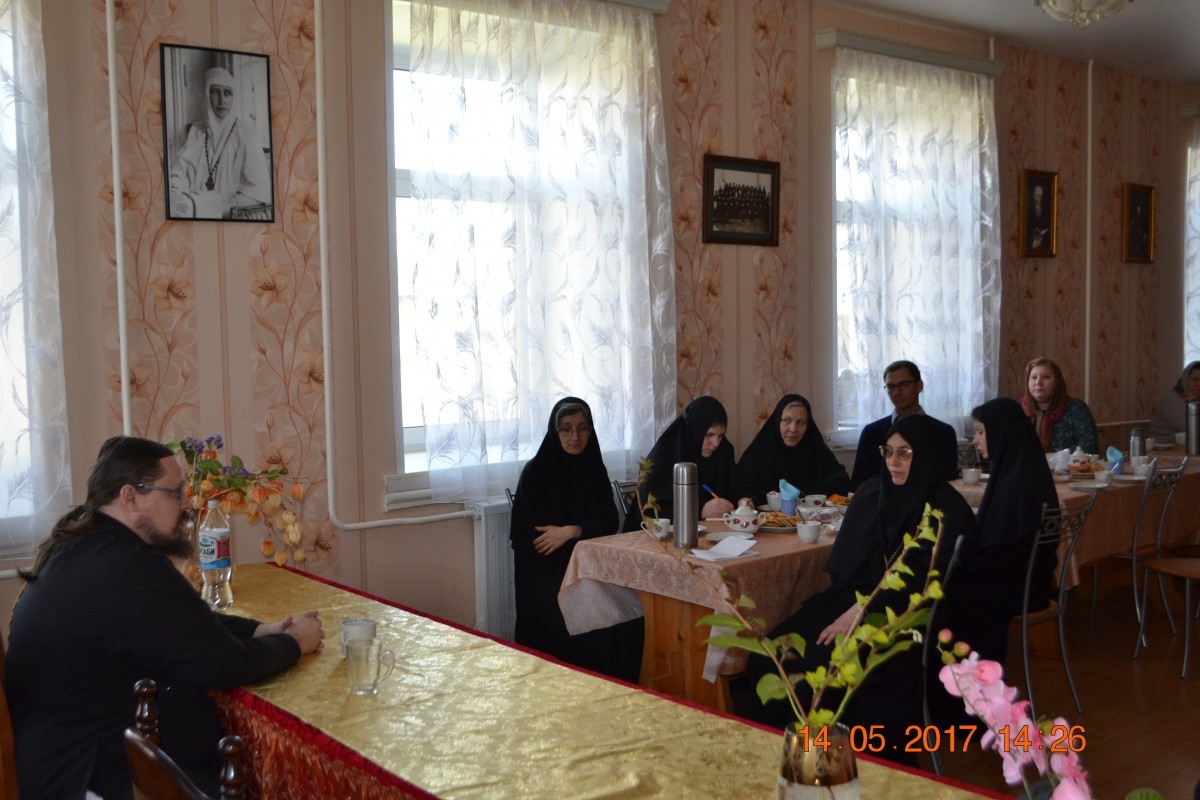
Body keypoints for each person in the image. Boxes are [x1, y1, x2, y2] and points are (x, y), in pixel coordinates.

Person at [3, 436, 323, 799]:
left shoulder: (84, 548)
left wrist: (261, 630)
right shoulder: (128, 567)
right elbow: (224, 664)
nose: (187, 503)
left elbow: (185, 623)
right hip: (87, 777)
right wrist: (295, 642)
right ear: (130, 498)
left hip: (61, 762)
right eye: (175, 492)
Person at [737, 415, 974, 763]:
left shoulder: (947, 510)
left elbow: (920, 584)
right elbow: (846, 572)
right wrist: (850, 608)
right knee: (767, 655)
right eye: (888, 451)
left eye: (905, 453)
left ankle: (818, 765)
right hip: (853, 599)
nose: (893, 461)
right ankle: (775, 758)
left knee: (809, 669)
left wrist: (859, 613)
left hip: (901, 617)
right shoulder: (873, 493)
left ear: (925, 455)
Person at [509, 397, 642, 681]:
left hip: (590, 561)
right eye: (566, 429)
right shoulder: (536, 473)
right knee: (582, 616)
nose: (575, 436)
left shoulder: (594, 468)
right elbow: (541, 541)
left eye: (583, 428)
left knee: (629, 611)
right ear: (554, 431)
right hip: (546, 569)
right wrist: (575, 535)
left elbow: (610, 520)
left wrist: (572, 530)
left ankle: (616, 686)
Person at [945, 397, 1060, 667]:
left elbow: (1002, 552)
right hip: (1031, 579)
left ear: (1001, 432)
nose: (975, 440)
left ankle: (970, 674)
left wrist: (958, 561)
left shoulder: (1018, 482)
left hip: (1022, 586)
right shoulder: (1023, 466)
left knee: (947, 592)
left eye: (980, 431)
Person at [168, 66, 271, 219]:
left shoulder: (246, 135)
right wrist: (178, 194)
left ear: (234, 97)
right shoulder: (196, 131)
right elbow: (177, 173)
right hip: (194, 209)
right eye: (215, 92)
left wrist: (221, 207)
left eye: (227, 93)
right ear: (207, 95)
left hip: (230, 214)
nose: (222, 100)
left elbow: (260, 192)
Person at [850, 360, 960, 490]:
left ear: (919, 386)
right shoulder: (872, 432)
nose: (896, 392)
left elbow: (948, 482)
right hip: (882, 500)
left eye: (903, 384)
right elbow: (859, 483)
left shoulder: (943, 432)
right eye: (891, 387)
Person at [735, 394, 849, 506]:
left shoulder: (816, 449)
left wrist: (807, 497)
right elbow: (742, 489)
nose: (793, 429)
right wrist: (747, 502)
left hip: (812, 516)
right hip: (767, 517)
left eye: (800, 422)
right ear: (777, 421)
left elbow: (841, 480)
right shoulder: (759, 452)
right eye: (787, 420)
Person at [639, 395, 740, 520]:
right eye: (709, 435)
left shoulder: (724, 451)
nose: (715, 443)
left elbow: (733, 488)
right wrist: (700, 510)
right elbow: (651, 509)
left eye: (721, 436)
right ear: (694, 430)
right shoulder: (664, 454)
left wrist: (742, 500)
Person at [1020, 357, 1099, 453]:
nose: (1038, 382)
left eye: (1046, 377)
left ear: (1057, 382)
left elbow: (1089, 446)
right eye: (1033, 377)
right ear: (1027, 382)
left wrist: (1055, 457)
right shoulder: (1016, 409)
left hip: (1067, 463)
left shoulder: (1076, 408)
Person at [1150, 361, 1200, 440]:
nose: (1199, 384)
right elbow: (1193, 428)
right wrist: (1196, 401)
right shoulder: (1173, 400)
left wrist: (1196, 400)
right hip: (1162, 445)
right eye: (1195, 379)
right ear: (1186, 379)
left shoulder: (1195, 399)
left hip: (1183, 445)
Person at [1027, 183, 1051, 252]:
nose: (1039, 199)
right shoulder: (1028, 208)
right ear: (1033, 195)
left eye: (1041, 196)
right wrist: (1032, 245)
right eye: (1037, 196)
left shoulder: (1045, 208)